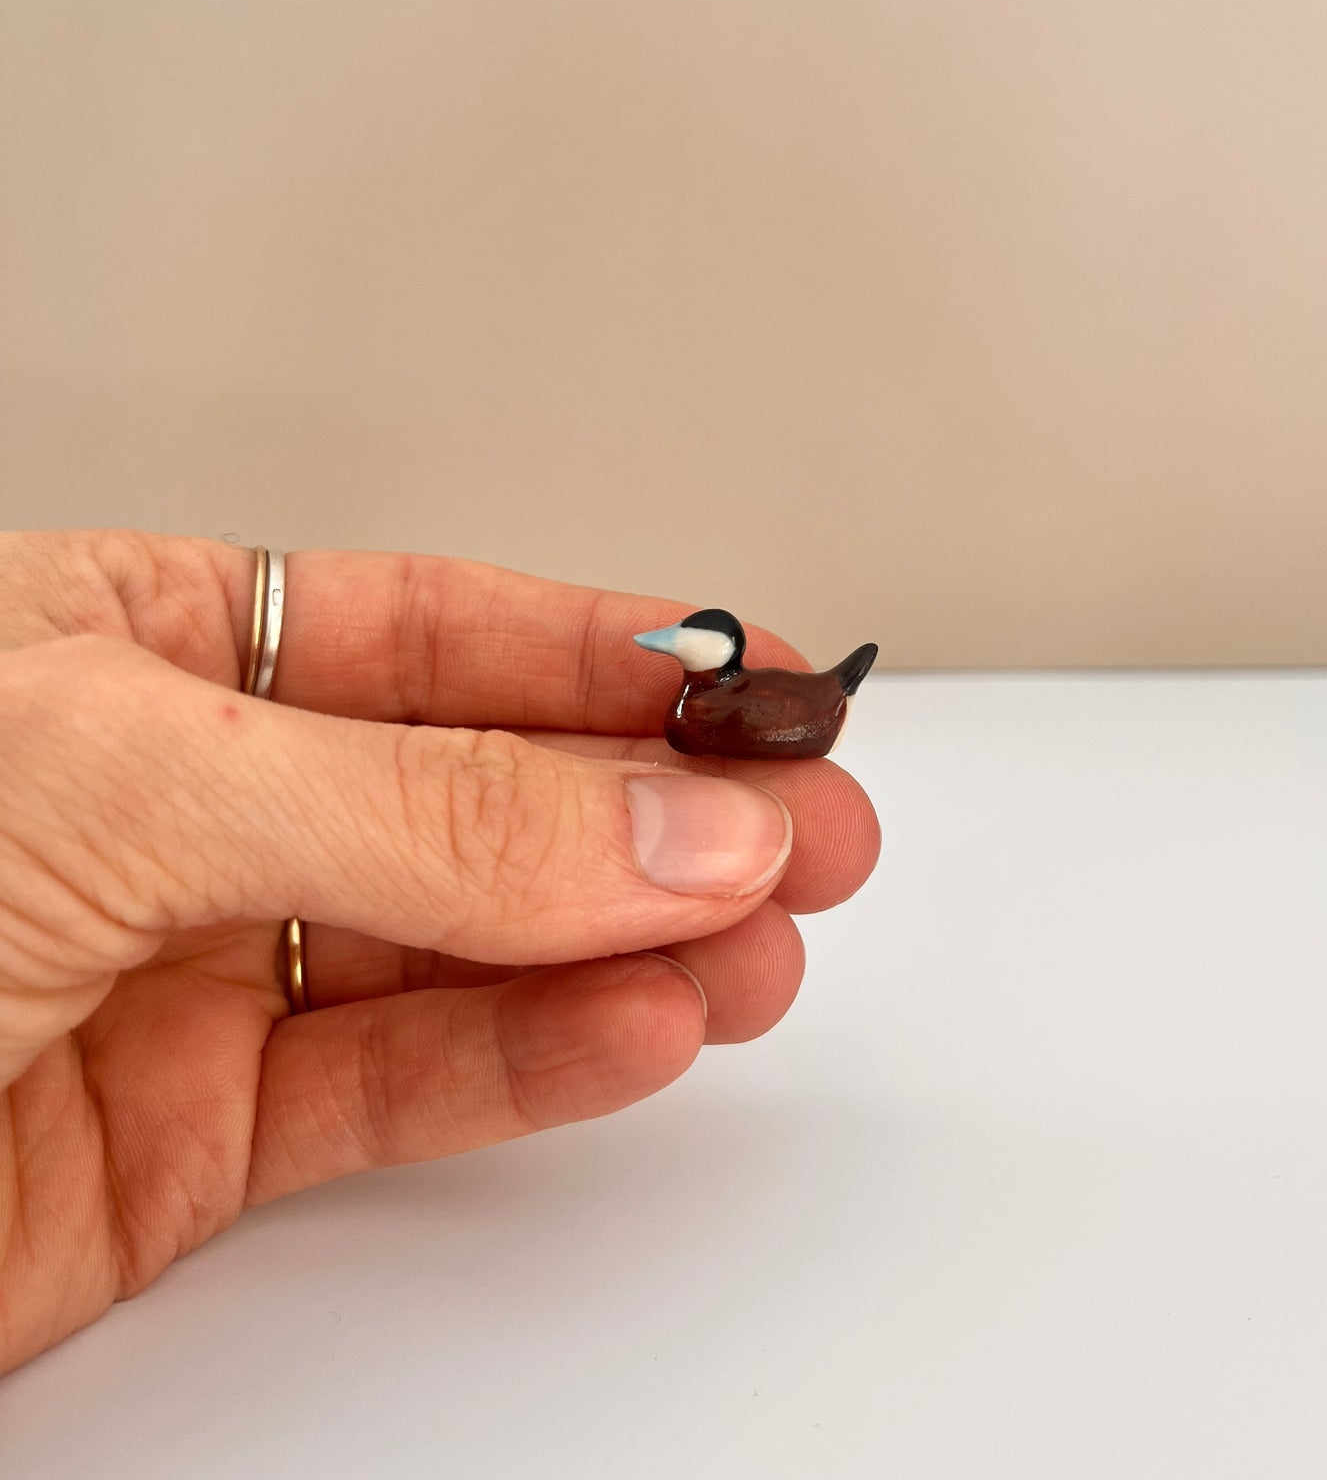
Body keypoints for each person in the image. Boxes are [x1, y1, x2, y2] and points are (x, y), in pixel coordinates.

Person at [0, 530, 881, 1374]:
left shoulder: (722, 707)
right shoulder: (695, 711)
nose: (667, 647)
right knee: (642, 1010)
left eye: (685, 643)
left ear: (713, 653)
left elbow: (787, 708)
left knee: (653, 1005)